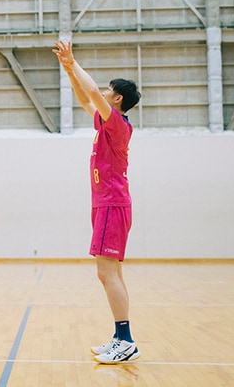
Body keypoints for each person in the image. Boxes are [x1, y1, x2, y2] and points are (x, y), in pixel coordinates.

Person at [52, 39, 141, 365]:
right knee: (113, 274)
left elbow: (91, 95)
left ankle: (126, 340)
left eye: (107, 90)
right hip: (108, 204)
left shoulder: (117, 123)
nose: (101, 92)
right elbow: (84, 98)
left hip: (112, 204)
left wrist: (73, 63)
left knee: (106, 274)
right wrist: (69, 72)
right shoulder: (108, 123)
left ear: (117, 99)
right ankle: (122, 338)